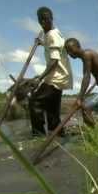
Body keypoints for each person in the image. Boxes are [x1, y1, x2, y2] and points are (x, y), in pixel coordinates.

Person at [28, 7, 73, 138]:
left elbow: (54, 61)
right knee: (52, 110)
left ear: (51, 18)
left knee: (35, 102)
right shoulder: (52, 34)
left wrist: (39, 78)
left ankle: (38, 135)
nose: (43, 22)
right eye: (40, 19)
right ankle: (58, 135)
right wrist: (41, 43)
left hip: (55, 77)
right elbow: (52, 46)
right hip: (61, 77)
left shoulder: (52, 35)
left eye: (46, 18)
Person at [64, 38, 98, 127]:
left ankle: (95, 133)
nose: (70, 53)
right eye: (68, 51)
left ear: (78, 46)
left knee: (86, 107)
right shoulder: (85, 57)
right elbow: (87, 75)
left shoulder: (87, 54)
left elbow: (86, 76)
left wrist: (79, 97)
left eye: (71, 49)